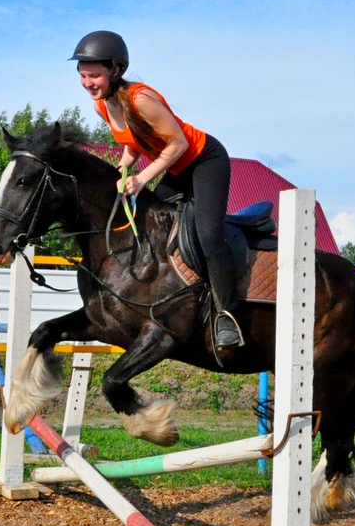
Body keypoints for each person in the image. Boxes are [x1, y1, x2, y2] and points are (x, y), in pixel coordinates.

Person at [71, 30, 244, 349]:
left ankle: (228, 316)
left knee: (208, 235)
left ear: (115, 70)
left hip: (204, 160)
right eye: (83, 75)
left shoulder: (141, 99)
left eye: (94, 75)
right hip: (175, 167)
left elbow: (178, 144)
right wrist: (123, 168)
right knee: (150, 224)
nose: (87, 82)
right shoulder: (102, 106)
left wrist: (141, 179)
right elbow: (133, 142)